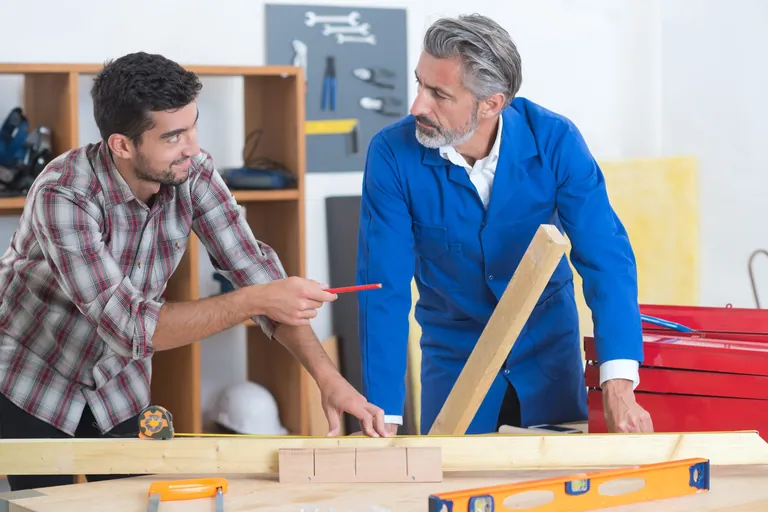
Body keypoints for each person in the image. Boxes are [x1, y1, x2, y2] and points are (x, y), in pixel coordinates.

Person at [0, 52, 388, 491]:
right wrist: (253, 299)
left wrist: (330, 380)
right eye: (173, 136)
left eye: (193, 126)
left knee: (135, 500)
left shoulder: (193, 172)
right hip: (35, 377)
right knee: (45, 504)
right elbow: (130, 328)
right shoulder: (63, 194)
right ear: (122, 145)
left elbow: (258, 275)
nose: (194, 147)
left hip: (118, 384)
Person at [355, 14, 654, 436]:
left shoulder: (555, 141)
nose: (417, 106)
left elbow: (606, 258)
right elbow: (383, 287)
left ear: (491, 103)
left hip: (548, 355)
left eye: (438, 93)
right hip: (456, 362)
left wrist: (619, 383)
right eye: (419, 84)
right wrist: (382, 414)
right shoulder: (391, 154)